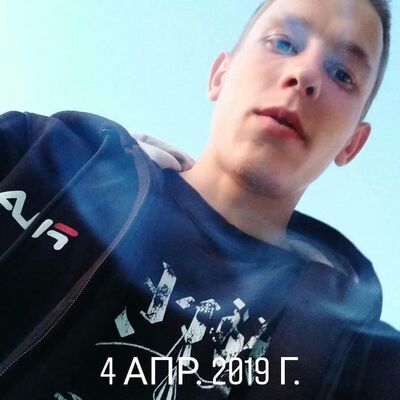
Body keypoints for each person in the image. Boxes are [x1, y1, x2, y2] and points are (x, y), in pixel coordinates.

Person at [0, 0, 398, 399]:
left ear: (352, 143)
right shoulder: (36, 156)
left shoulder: (357, 359)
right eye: (283, 43)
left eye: (342, 74)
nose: (305, 74)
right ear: (220, 75)